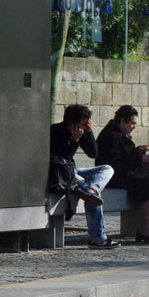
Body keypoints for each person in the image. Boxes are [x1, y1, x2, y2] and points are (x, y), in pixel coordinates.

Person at [50, 104, 119, 249]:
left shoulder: (80, 132)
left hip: (73, 171)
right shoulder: (55, 132)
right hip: (61, 174)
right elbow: (61, 162)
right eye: (83, 123)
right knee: (94, 198)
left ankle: (90, 188)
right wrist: (74, 142)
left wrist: (89, 132)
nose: (84, 127)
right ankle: (98, 238)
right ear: (72, 123)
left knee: (107, 169)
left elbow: (93, 153)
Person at [96, 105, 149, 244]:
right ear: (123, 121)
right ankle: (143, 230)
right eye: (132, 123)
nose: (134, 126)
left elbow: (123, 155)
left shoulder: (117, 133)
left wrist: (137, 151)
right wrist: (140, 159)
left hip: (121, 175)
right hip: (113, 178)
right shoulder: (111, 135)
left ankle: (143, 229)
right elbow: (116, 162)